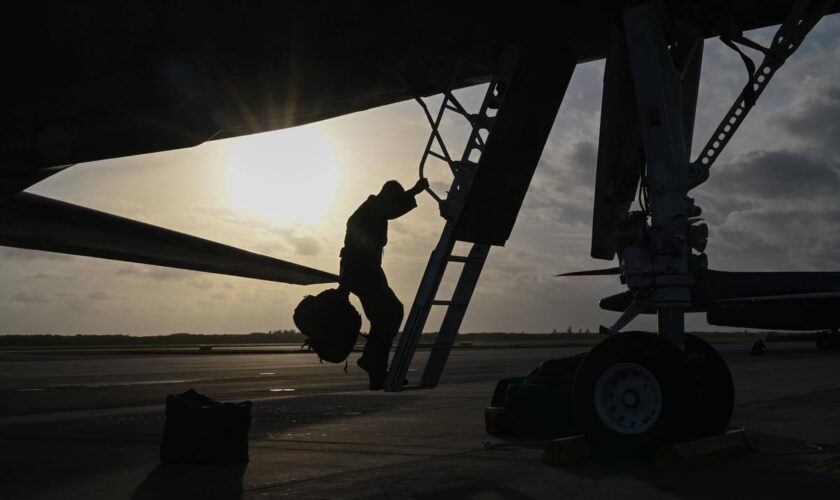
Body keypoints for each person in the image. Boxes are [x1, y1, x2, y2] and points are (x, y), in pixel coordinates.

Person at [340, 178, 429, 390]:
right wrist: (415, 191)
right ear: (387, 197)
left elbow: (390, 209)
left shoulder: (373, 210)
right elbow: (390, 210)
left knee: (391, 313)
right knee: (387, 315)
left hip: (367, 271)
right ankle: (373, 363)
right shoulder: (371, 210)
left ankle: (375, 371)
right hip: (362, 272)